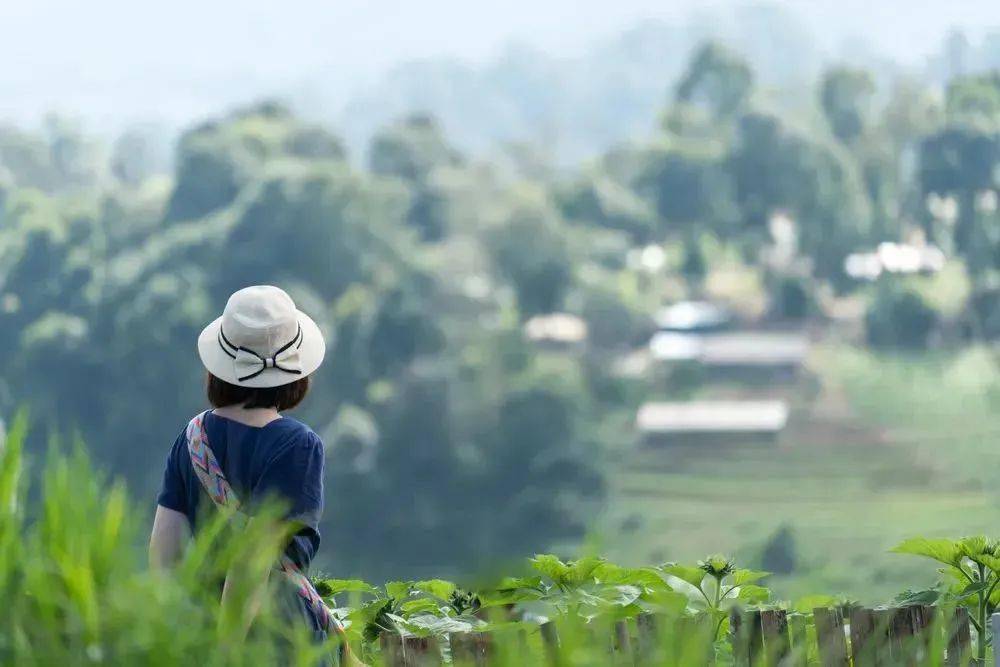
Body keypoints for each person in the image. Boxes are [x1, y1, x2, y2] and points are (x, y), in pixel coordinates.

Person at [149, 285, 361, 665]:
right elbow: (252, 560)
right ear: (296, 374)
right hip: (278, 642)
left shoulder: (192, 438)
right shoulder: (297, 445)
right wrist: (227, 651)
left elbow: (164, 556)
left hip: (200, 634)